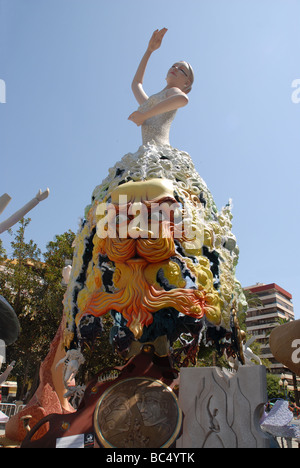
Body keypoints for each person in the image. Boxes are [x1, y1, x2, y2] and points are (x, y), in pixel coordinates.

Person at [128, 28, 194, 146]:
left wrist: (144, 115)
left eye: (182, 70)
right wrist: (149, 51)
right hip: (149, 153)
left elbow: (182, 99)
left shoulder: (173, 91)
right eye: (173, 66)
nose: (175, 68)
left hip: (161, 155)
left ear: (187, 83)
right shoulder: (151, 103)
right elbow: (136, 84)